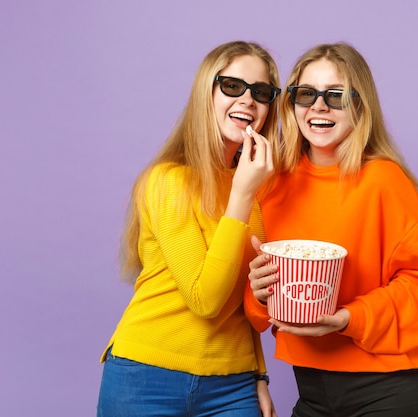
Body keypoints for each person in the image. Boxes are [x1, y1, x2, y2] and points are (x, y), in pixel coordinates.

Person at [245, 42, 418, 417]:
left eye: (337, 96)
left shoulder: (384, 181)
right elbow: (257, 307)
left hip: (390, 390)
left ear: (361, 106)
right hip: (312, 391)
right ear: (291, 102)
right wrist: (260, 294)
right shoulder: (271, 186)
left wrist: (350, 317)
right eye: (307, 94)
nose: (319, 107)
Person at [97, 41, 281, 417]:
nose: (247, 100)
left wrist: (260, 376)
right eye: (232, 86)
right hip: (145, 377)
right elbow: (206, 299)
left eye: (260, 92)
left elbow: (244, 292)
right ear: (206, 93)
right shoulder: (167, 180)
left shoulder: (255, 186)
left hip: (233, 383)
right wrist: (243, 194)